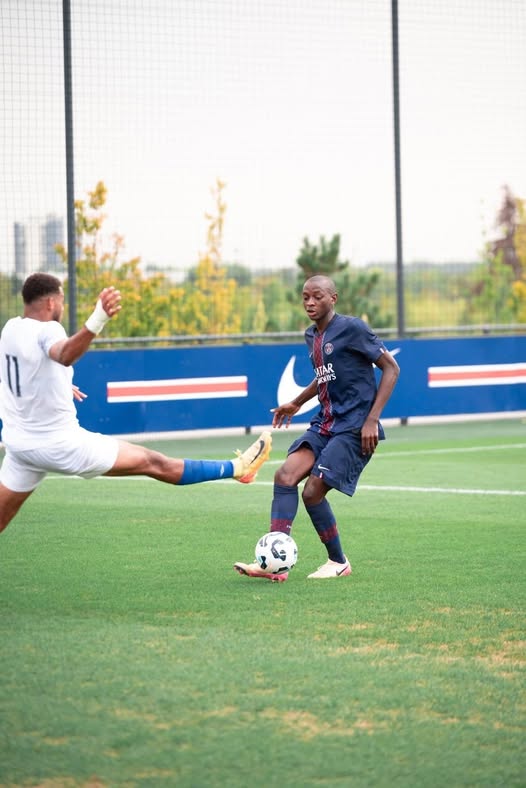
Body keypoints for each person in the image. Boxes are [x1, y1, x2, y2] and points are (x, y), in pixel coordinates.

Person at [0, 272, 271, 534]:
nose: (62, 307)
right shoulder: (49, 329)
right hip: (59, 445)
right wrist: (97, 319)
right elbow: (64, 354)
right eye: (62, 301)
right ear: (51, 302)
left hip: (19, 447)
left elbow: (24, 370)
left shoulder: (11, 329)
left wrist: (57, 384)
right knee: (153, 462)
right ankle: (239, 468)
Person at [234, 274, 399, 582]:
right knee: (285, 476)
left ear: (333, 298)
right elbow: (325, 375)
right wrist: (296, 402)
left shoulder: (353, 328)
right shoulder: (311, 335)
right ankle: (274, 565)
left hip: (354, 427)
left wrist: (372, 420)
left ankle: (338, 561)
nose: (310, 302)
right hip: (325, 423)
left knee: (312, 492)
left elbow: (392, 368)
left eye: (317, 297)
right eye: (305, 297)